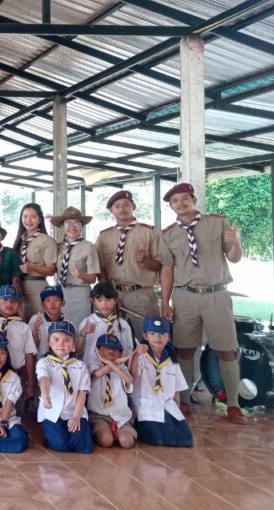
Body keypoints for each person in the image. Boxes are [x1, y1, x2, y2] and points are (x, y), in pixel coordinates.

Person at [157, 182, 247, 424]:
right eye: (174, 201)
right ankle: (184, 400)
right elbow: (167, 269)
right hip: (185, 296)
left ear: (193, 200)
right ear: (171, 206)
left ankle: (233, 404)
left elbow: (234, 258)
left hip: (216, 295)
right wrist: (165, 301)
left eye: (184, 198)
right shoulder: (168, 234)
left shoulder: (217, 223)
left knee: (226, 350)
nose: (180, 203)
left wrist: (235, 242)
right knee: (185, 349)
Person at [95, 190, 163, 339]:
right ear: (111, 210)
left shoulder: (150, 232)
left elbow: (161, 265)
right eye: (117, 206)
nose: (122, 209)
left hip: (142, 295)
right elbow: (100, 268)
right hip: (114, 293)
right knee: (113, 338)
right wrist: (108, 295)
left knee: (146, 338)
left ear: (134, 206)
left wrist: (145, 260)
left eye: (126, 205)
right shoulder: (104, 236)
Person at [132, 316, 193, 447]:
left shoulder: (172, 360)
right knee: (159, 437)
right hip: (146, 405)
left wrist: (177, 411)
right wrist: (136, 355)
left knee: (185, 438)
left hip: (167, 404)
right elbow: (133, 379)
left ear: (168, 337)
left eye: (162, 334)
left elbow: (176, 390)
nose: (158, 338)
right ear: (145, 336)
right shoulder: (140, 356)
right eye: (152, 333)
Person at [36, 320, 92, 454]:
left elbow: (82, 393)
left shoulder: (80, 366)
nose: (61, 344)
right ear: (49, 342)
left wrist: (76, 417)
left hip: (74, 411)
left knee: (84, 446)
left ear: (73, 344)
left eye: (67, 340)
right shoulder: (44, 362)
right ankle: (49, 436)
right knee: (61, 445)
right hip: (52, 412)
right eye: (56, 339)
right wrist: (46, 397)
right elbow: (44, 379)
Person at [50, 207, 99, 325]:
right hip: (60, 293)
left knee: (80, 328)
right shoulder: (57, 247)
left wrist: (80, 275)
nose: (72, 226)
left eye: (77, 223)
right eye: (68, 223)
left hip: (80, 293)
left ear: (81, 226)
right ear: (62, 226)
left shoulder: (88, 247)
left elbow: (93, 278)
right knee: (61, 328)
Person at [87, 333, 136, 449]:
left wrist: (114, 364)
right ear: (97, 350)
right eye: (106, 347)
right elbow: (96, 374)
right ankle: (110, 433)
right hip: (99, 415)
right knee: (106, 440)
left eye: (115, 348)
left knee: (127, 442)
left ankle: (119, 432)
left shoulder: (122, 368)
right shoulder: (92, 366)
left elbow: (129, 379)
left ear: (120, 354)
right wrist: (114, 363)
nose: (111, 350)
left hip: (121, 415)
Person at [13, 203, 57, 319]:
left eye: (33, 217)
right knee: (22, 323)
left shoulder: (47, 240)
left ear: (40, 219)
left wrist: (32, 267)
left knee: (39, 321)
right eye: (25, 216)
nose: (28, 220)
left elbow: (51, 270)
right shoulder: (20, 239)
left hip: (37, 286)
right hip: (19, 286)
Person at [76, 283, 134, 369]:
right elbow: (78, 351)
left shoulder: (123, 324)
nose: (104, 304)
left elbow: (128, 349)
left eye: (108, 300)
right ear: (93, 301)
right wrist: (82, 334)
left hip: (118, 369)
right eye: (99, 300)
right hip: (92, 367)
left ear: (115, 301)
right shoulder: (87, 322)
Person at [31, 285, 66, 357]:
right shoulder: (35, 319)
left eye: (56, 300)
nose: (52, 304)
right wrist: (35, 328)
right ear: (42, 304)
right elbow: (32, 347)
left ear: (63, 303)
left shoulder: (67, 324)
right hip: (41, 361)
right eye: (48, 300)